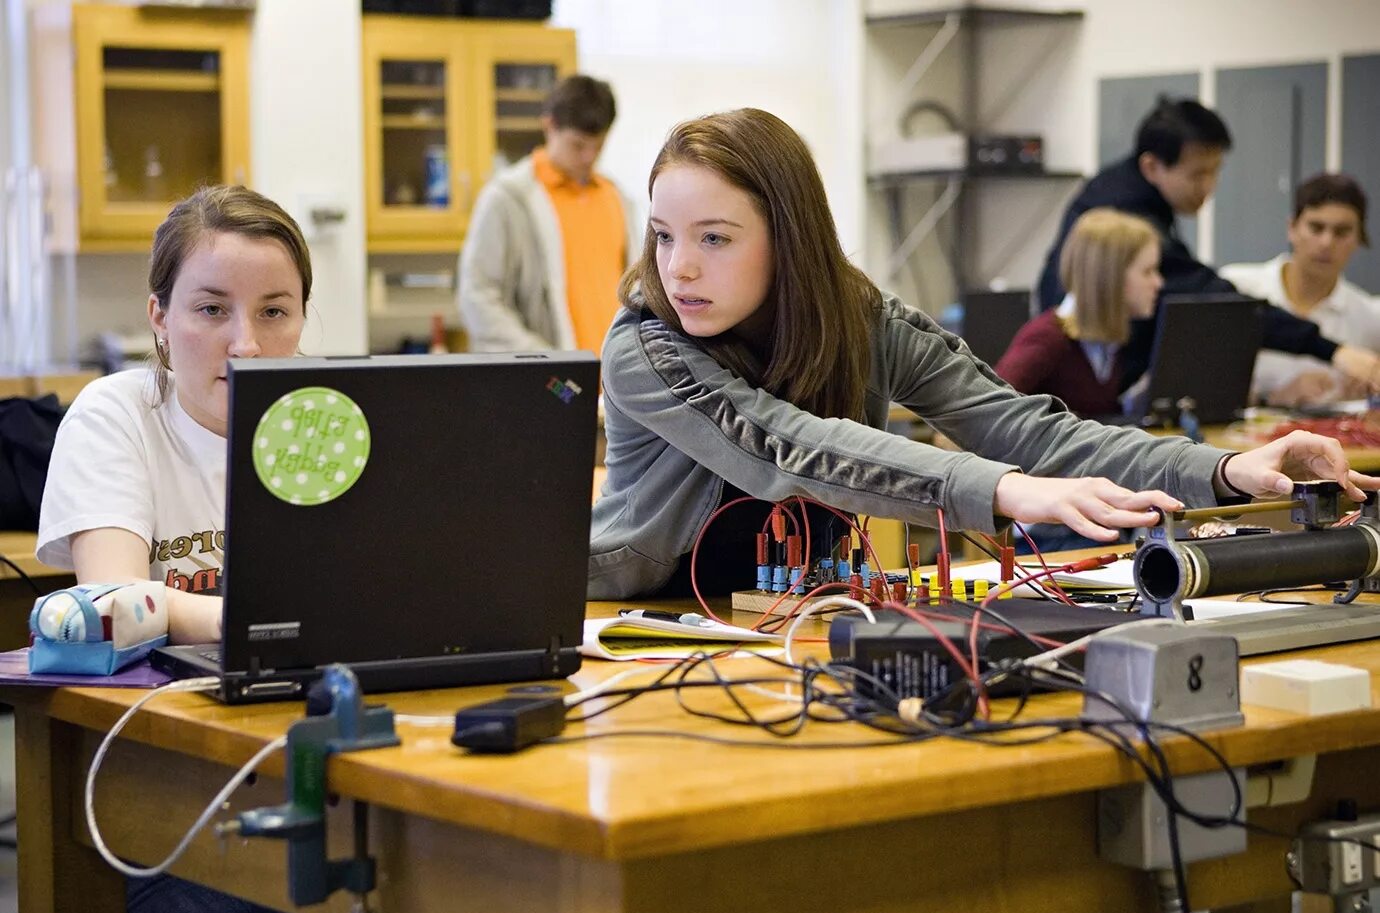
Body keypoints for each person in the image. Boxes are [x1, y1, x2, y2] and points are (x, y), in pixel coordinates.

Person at [587, 108, 1379, 599]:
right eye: (662, 236)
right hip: (639, 623)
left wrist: (1222, 471)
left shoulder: (862, 319)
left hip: (801, 619)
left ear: (789, 241)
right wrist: (1005, 490)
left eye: (713, 239)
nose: (678, 266)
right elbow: (791, 449)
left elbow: (1032, 429)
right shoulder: (645, 346)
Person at [37, 186, 305, 913]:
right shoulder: (117, 415)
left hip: (323, 757)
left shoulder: (332, 418)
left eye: (274, 312)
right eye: (212, 309)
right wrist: (262, 621)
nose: (247, 343)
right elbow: (115, 601)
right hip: (173, 787)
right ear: (159, 318)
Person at [1037, 97, 1380, 394]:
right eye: (1198, 174)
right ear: (1152, 166)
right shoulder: (1126, 213)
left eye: (1215, 171)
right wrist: (1329, 350)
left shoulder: (1119, 189)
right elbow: (1210, 299)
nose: (1209, 186)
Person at [458, 73, 640, 353]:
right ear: (549, 126)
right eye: (578, 145)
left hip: (615, 383)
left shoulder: (617, 198)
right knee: (564, 394)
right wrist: (543, 361)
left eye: (598, 146)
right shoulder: (507, 200)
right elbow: (478, 298)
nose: (589, 157)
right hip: (554, 383)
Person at [1221, 173, 1380, 406]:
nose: (1326, 242)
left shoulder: (1369, 318)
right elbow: (1197, 383)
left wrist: (1368, 396)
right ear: (1292, 228)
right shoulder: (1236, 287)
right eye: (1316, 228)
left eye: (1341, 232)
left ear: (1358, 239)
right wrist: (1272, 398)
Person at [996, 208, 1161, 418]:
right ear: (1111, 277)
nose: (1158, 283)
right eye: (1148, 271)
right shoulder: (1048, 339)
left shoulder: (1106, 342)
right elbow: (992, 412)